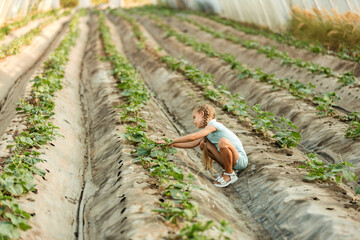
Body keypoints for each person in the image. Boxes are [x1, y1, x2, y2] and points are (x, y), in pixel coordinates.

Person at [157, 104, 248, 187]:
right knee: (203, 144)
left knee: (223, 141)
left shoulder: (214, 125)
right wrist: (172, 145)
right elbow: (193, 143)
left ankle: (229, 173)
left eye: (194, 117)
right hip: (230, 160)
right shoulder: (207, 130)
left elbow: (193, 137)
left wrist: (170, 141)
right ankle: (227, 170)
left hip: (239, 160)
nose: (194, 122)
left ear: (202, 114)